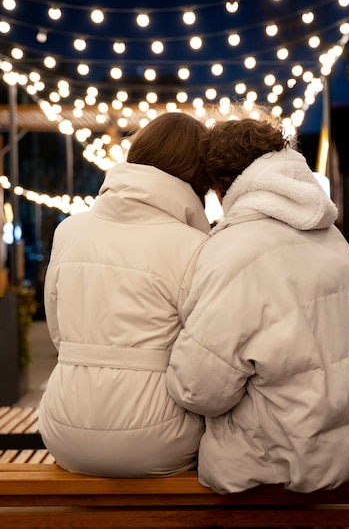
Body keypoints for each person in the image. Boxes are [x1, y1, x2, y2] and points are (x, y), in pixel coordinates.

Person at [166, 113, 349, 494]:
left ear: (221, 188)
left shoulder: (233, 250)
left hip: (286, 463)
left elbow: (199, 390)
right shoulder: (331, 237)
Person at [39, 112, 211, 477]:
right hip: (160, 435)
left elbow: (59, 331)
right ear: (198, 176)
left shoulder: (69, 230)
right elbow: (201, 357)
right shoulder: (195, 246)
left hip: (62, 427)